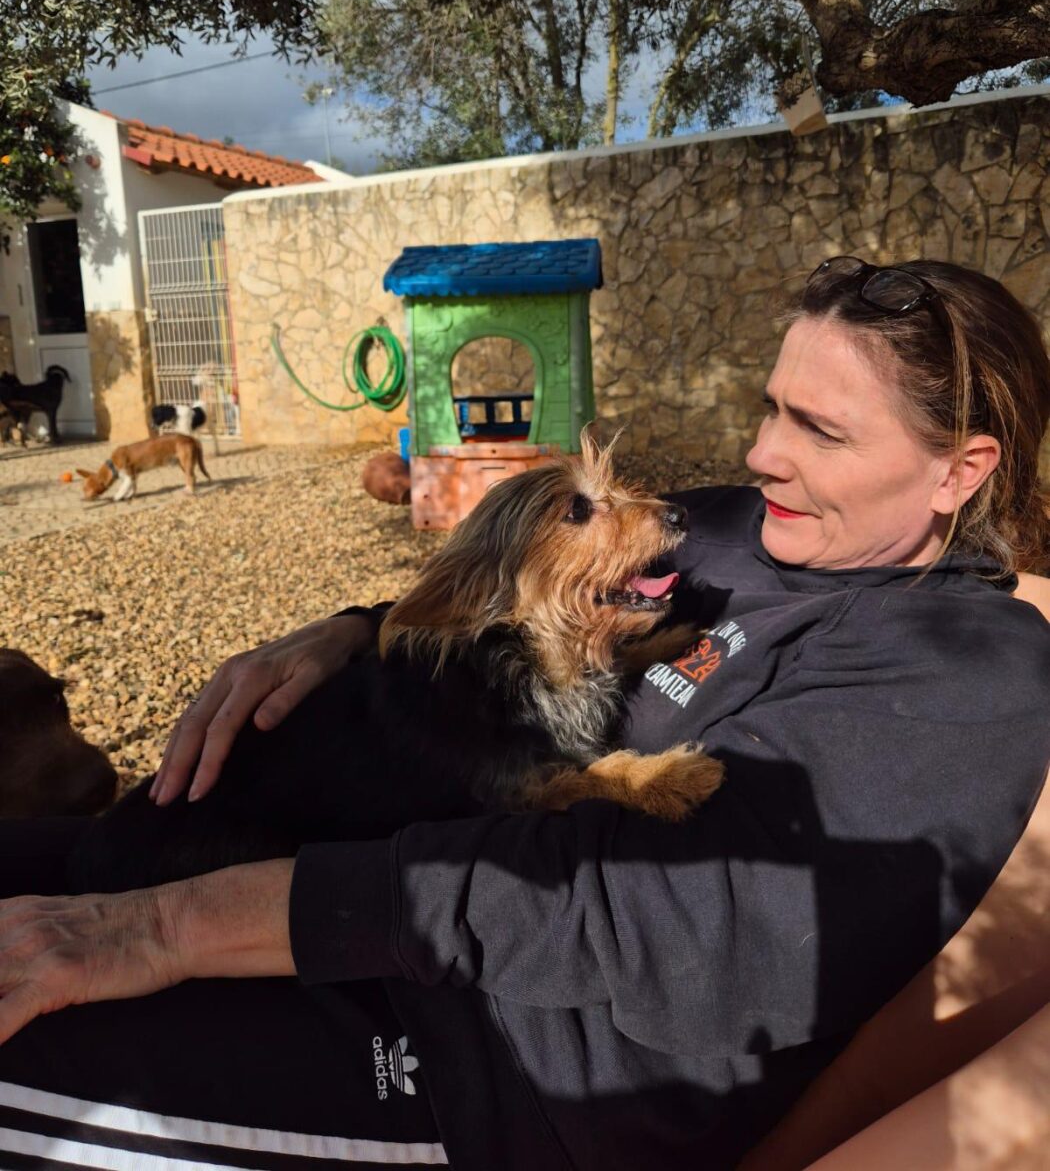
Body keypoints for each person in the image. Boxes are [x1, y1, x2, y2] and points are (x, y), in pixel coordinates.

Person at [1, 256, 1049, 1171]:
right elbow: (523, 584)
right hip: (381, 898)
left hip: (504, 1066)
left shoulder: (958, 669)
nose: (764, 453)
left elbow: (684, 924)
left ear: (959, 471)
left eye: (820, 430)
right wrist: (357, 632)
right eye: (773, 407)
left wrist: (171, 923)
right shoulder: (754, 527)